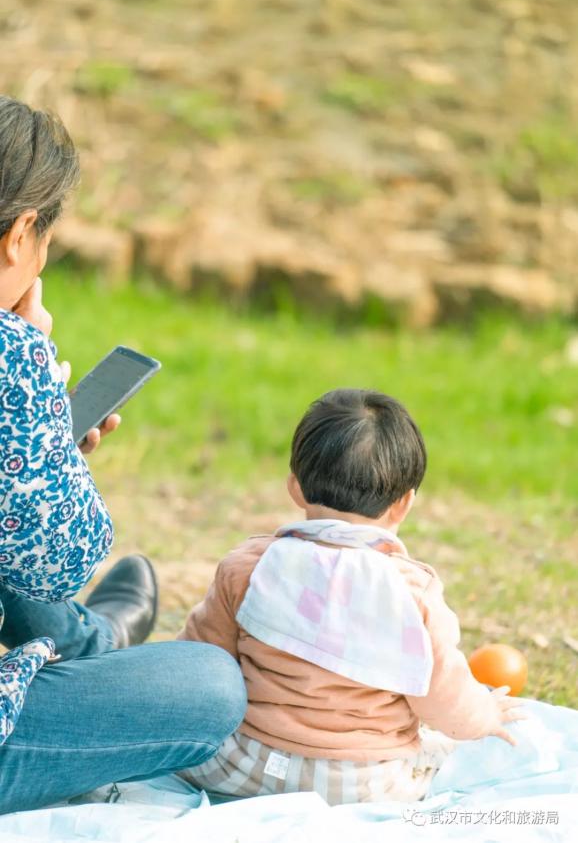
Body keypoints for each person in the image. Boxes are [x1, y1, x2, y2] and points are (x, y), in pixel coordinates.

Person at [0, 95, 246, 815]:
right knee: (210, 684)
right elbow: (61, 564)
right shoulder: (10, 355)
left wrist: (33, 448)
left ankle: (91, 642)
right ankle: (93, 648)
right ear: (21, 234)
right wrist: (37, 395)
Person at [178, 388, 525, 805]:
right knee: (442, 755)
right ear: (404, 504)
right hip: (363, 785)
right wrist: (483, 715)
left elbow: (198, 663)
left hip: (244, 767)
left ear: (295, 488)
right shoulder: (412, 594)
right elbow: (443, 698)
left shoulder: (251, 567)